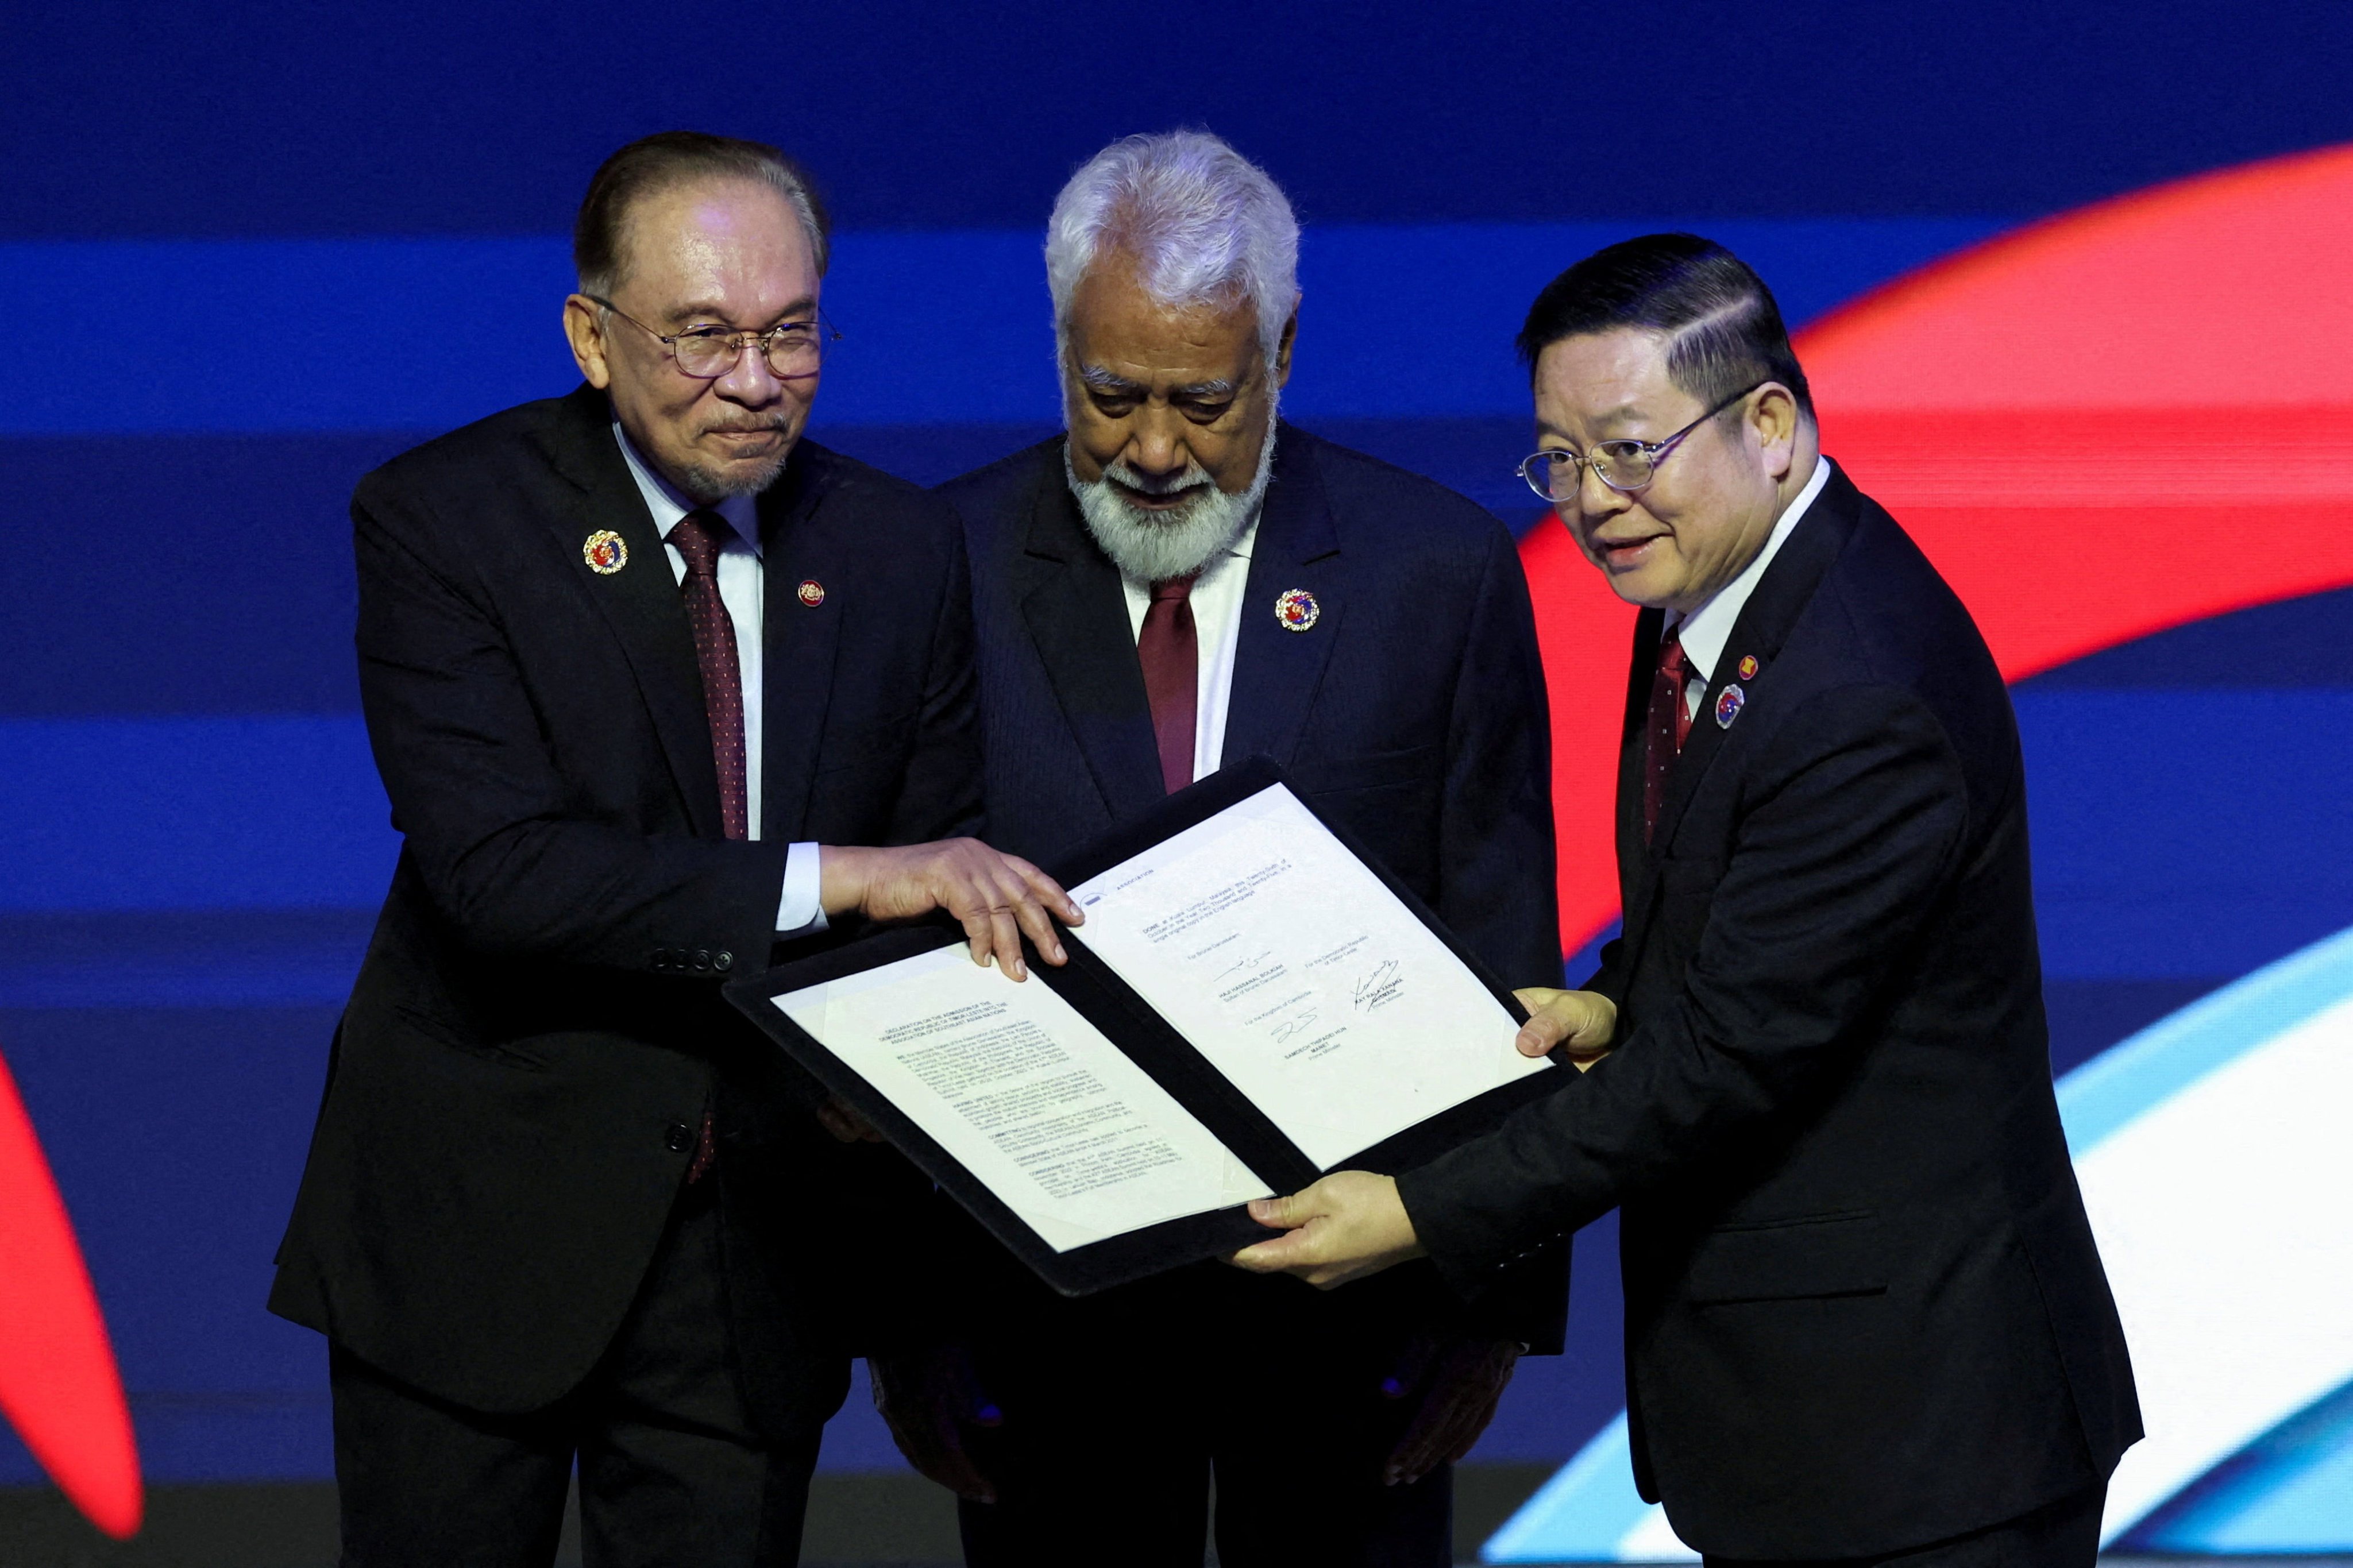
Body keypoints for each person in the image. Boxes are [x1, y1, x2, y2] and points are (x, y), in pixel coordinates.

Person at [1235, 234, 2142, 1567]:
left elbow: (1721, 1065)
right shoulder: (1722, 589)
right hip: (1817, 1422)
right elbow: (1728, 902)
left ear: (1767, 424)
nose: (1591, 500)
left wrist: (1419, 1216)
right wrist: (1611, 995)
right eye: (1557, 460)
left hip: (1926, 1442)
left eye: (1627, 449)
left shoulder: (1858, 693)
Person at [268, 132, 1078, 1568]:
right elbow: (501, 875)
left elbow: (943, 866)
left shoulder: (891, 546)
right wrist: (840, 876)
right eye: (705, 337)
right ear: (593, 337)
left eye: (792, 333)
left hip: (754, 1254)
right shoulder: (446, 523)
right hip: (481, 1236)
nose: (756, 382)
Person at [885, 130, 1566, 1568]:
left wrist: (1485, 1294)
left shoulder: (1430, 572)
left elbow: (1503, 936)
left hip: (1353, 1317)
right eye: (1108, 394)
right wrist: (907, 1325)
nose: (1149, 449)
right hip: (1039, 1323)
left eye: (1201, 401)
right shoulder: (937, 567)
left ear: (1284, 351)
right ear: (1058, 342)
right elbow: (884, 961)